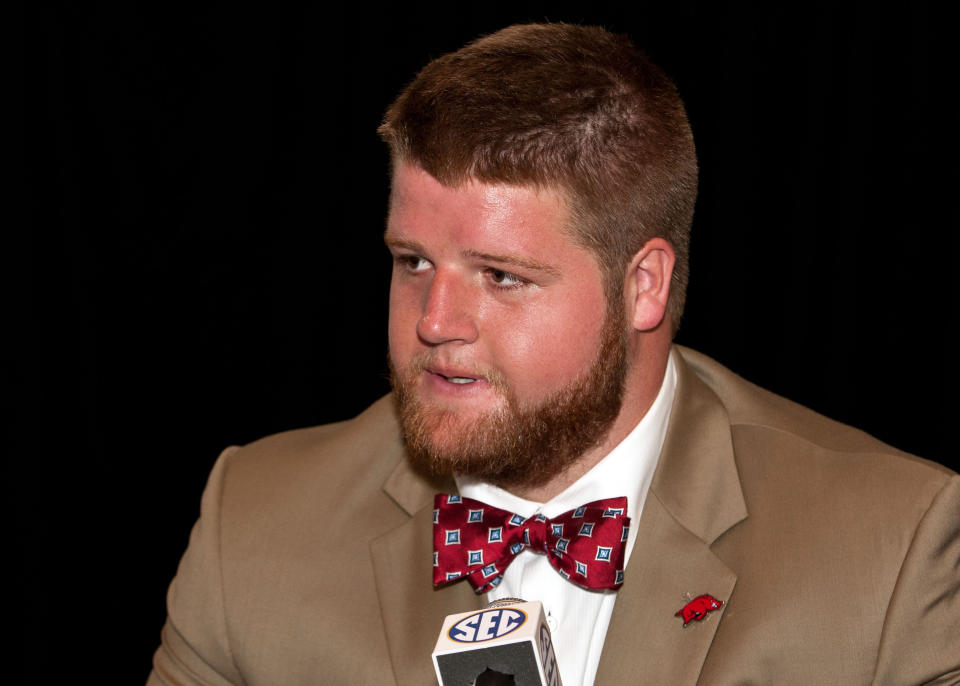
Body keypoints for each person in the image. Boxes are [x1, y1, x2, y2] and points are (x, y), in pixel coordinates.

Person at [148, 23, 959, 686]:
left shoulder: (890, 553)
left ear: (643, 285)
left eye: (502, 276)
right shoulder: (252, 525)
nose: (434, 322)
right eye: (413, 261)